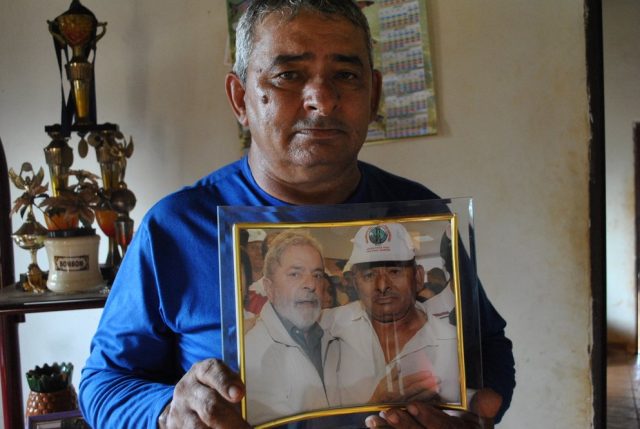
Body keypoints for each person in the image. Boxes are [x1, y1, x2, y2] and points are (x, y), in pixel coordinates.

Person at [79, 1, 514, 428]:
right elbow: (102, 385)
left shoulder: (419, 215)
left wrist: (471, 415)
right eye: (288, 75)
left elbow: (488, 346)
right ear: (240, 98)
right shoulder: (177, 228)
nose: (322, 101)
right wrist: (166, 412)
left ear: (374, 95)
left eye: (346, 75)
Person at [322, 223, 459, 408]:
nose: (382, 286)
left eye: (394, 272)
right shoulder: (329, 325)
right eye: (369, 275)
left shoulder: (451, 343)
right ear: (355, 284)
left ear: (418, 277)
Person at [244, 230, 336, 425]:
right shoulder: (252, 351)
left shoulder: (334, 332)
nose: (311, 284)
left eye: (317, 275)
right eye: (295, 274)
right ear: (269, 288)